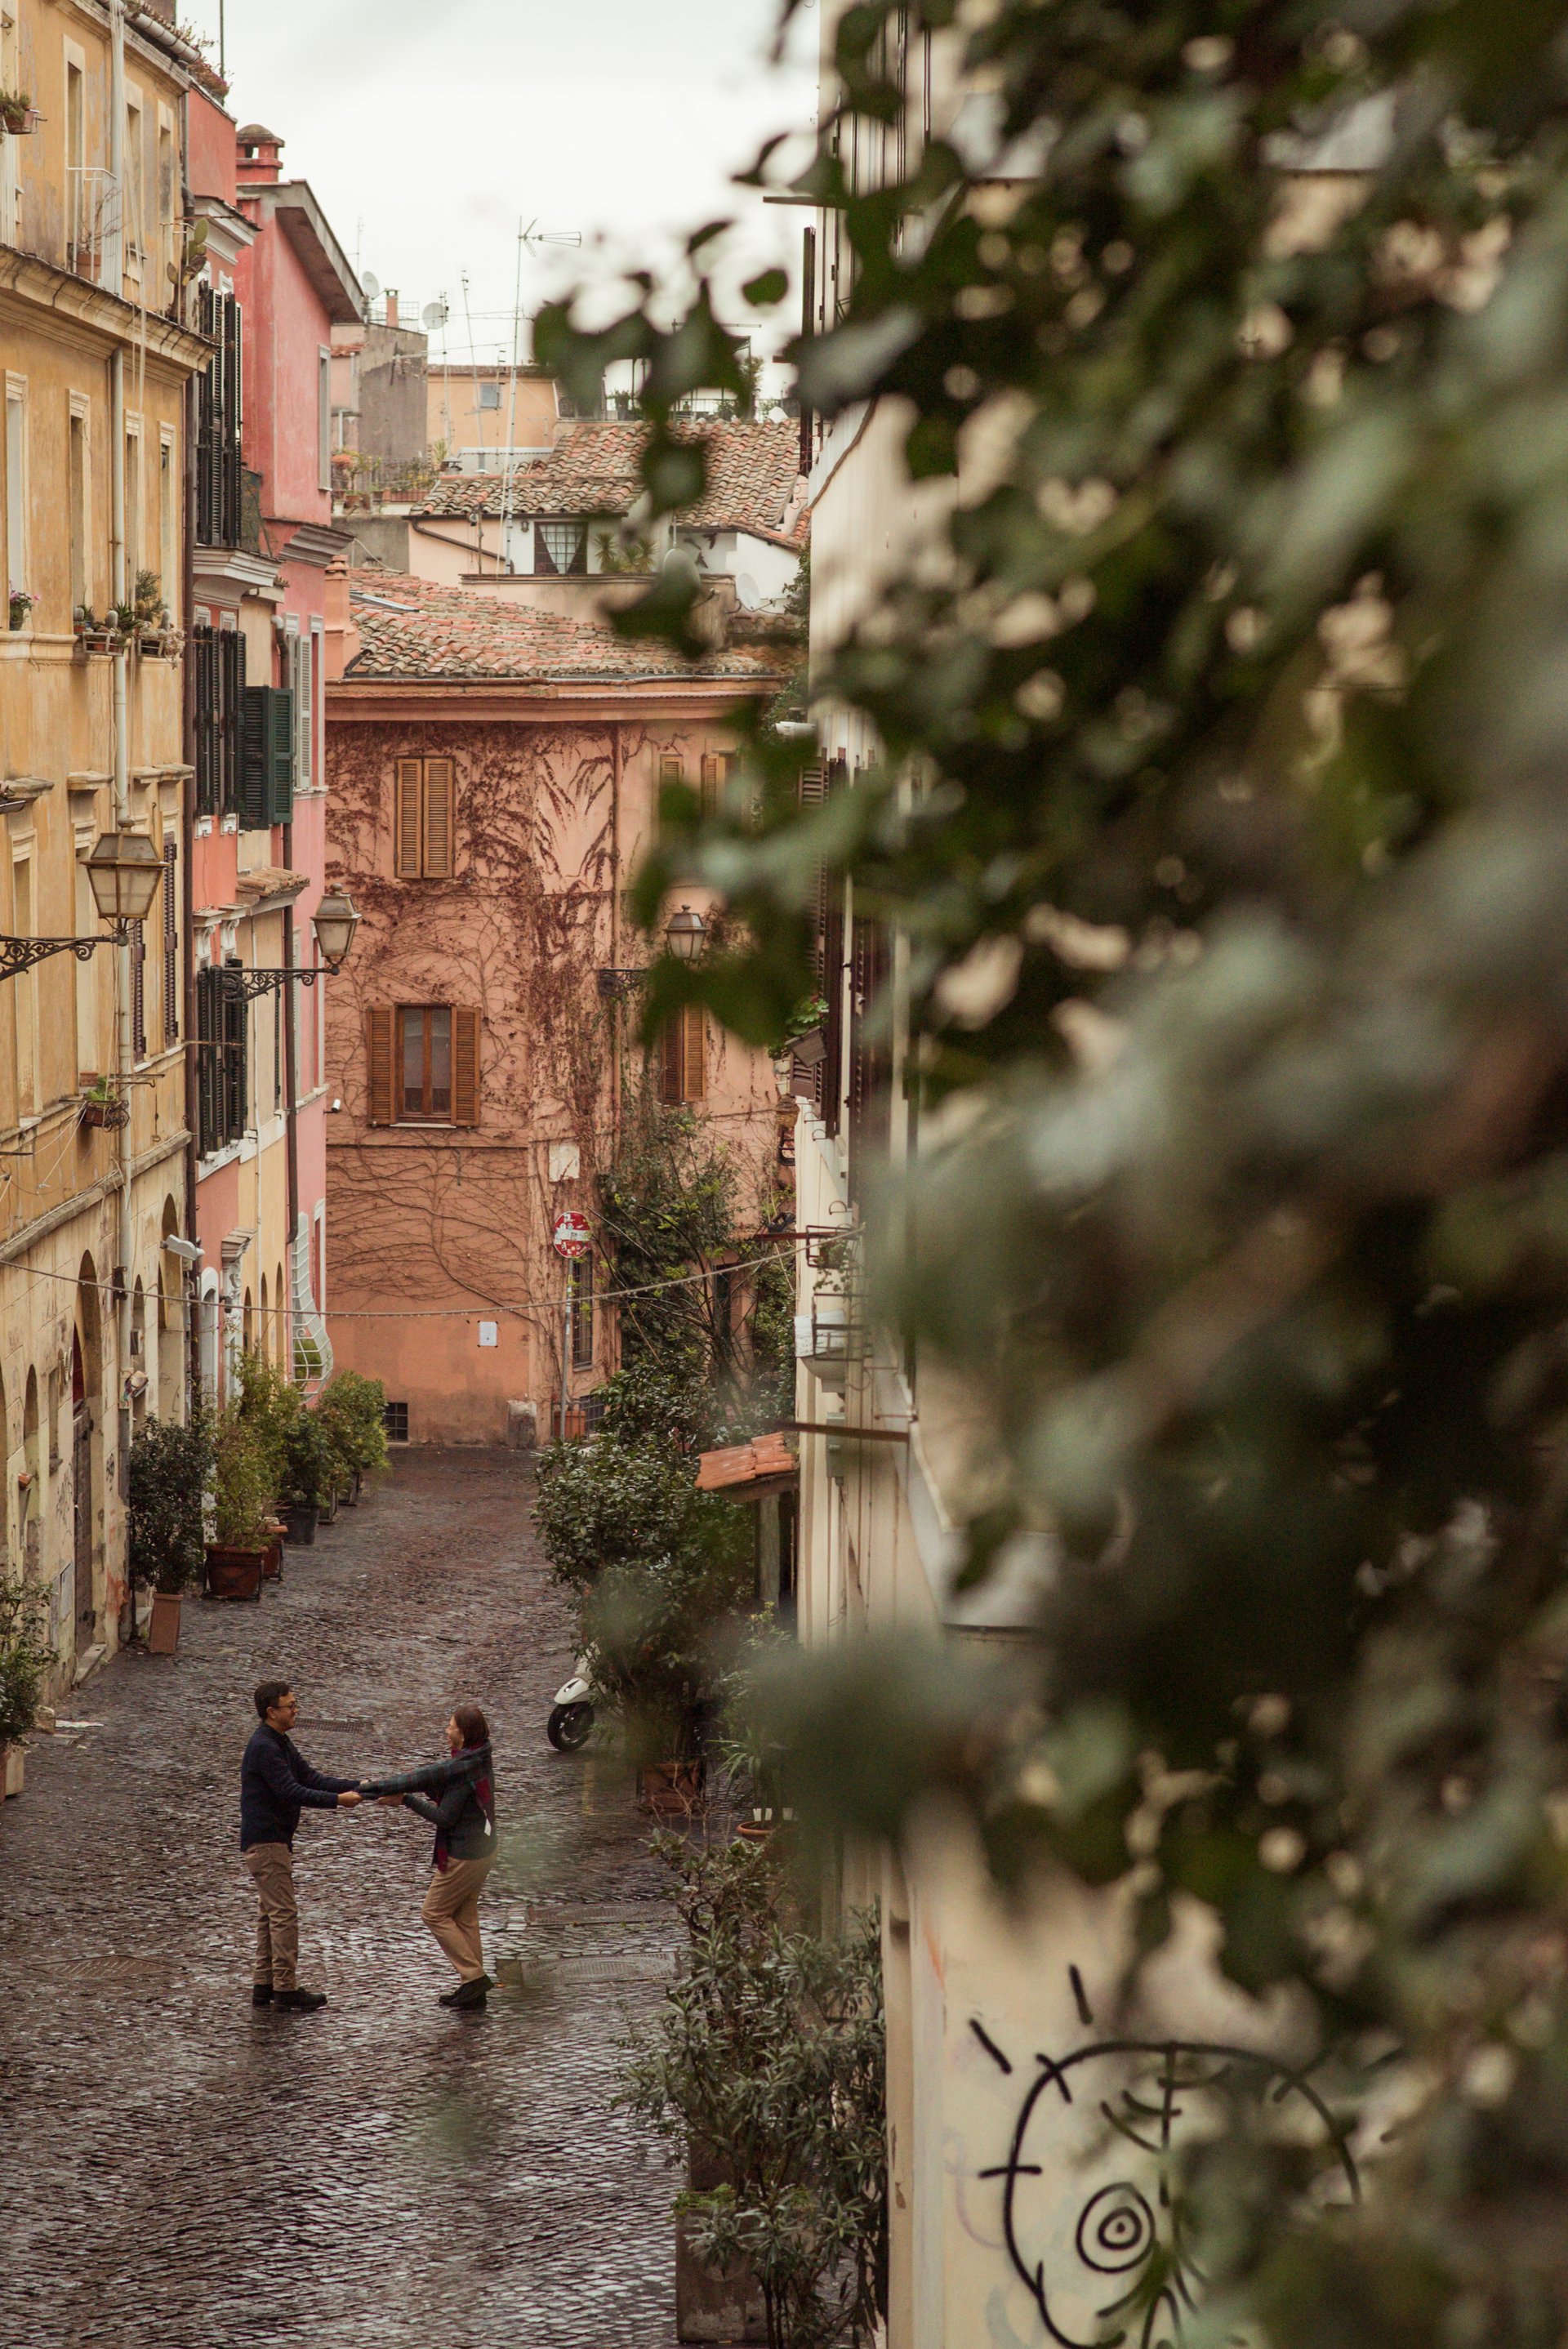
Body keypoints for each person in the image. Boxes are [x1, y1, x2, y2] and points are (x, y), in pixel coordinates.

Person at [360, 1705, 497, 2009]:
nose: (446, 1731)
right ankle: (474, 1990)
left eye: (450, 1727)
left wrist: (405, 1799)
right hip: (484, 1850)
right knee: (464, 1917)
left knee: (433, 1913)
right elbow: (440, 1789)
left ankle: (473, 1978)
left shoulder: (464, 1769)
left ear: (464, 1734)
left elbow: (445, 1816)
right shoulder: (477, 1758)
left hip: (466, 1855)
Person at [240, 1679, 362, 2013]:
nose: (296, 1710)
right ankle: (285, 1989)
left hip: (272, 1840)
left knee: (269, 1915)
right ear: (271, 1712)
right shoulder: (266, 1747)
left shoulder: (279, 1742)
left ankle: (264, 1985)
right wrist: (338, 1800)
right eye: (290, 1705)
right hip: (267, 1842)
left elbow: (311, 1777)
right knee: (284, 1915)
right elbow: (290, 1790)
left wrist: (360, 1786)